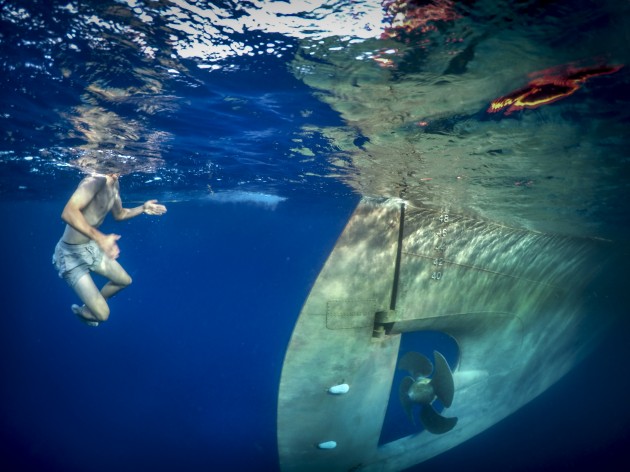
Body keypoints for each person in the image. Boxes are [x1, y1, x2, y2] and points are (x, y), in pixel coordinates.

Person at [53, 173, 167, 326]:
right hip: (70, 255)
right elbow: (68, 212)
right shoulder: (95, 180)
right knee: (103, 315)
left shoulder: (115, 183)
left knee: (124, 281)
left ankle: (88, 309)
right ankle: (91, 311)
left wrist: (143, 208)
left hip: (91, 247)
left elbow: (119, 214)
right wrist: (100, 238)